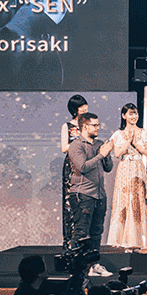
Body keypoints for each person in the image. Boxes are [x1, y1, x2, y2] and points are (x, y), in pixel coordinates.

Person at [66, 112, 113, 277]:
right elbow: (83, 167)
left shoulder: (99, 143)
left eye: (98, 125)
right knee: (81, 232)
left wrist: (106, 155)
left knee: (96, 232)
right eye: (95, 125)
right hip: (82, 194)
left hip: (99, 195)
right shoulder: (76, 145)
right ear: (85, 127)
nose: (98, 128)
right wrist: (101, 155)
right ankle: (76, 268)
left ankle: (95, 266)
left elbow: (108, 168)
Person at [106, 103, 147, 248]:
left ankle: (138, 239)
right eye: (131, 114)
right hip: (124, 167)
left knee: (138, 200)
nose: (134, 117)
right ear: (124, 115)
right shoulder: (118, 134)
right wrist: (128, 141)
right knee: (124, 200)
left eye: (136, 113)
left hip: (138, 167)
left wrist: (137, 144)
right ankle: (122, 239)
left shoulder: (144, 132)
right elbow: (118, 153)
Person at [60, 94, 87, 252]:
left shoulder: (89, 125)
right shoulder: (68, 126)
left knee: (86, 203)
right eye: (81, 106)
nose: (84, 108)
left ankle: (84, 241)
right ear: (74, 109)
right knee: (70, 204)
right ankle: (69, 243)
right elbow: (64, 147)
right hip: (72, 166)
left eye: (85, 105)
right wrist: (80, 141)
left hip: (86, 164)